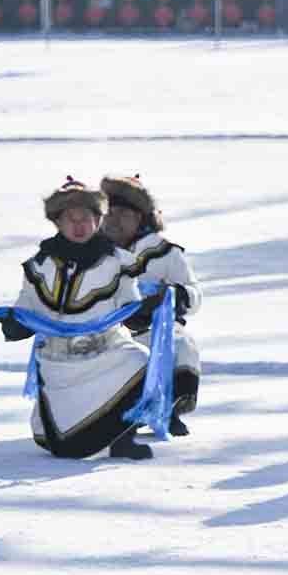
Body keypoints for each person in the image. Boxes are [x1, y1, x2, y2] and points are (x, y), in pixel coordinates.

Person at [0, 177, 164, 460]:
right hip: (57, 361)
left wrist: (143, 312)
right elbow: (27, 305)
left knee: (140, 360)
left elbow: (129, 305)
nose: (78, 226)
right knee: (65, 448)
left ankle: (123, 440)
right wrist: (16, 324)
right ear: (57, 222)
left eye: (85, 218)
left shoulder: (118, 262)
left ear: (98, 220)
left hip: (106, 352)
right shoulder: (40, 264)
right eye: (70, 219)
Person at [101, 174, 202, 437]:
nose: (113, 219)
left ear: (141, 217)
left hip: (157, 328)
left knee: (181, 347)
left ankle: (170, 409)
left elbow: (194, 295)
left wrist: (171, 296)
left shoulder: (166, 253)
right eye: (107, 213)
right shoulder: (94, 252)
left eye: (122, 213)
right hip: (109, 330)